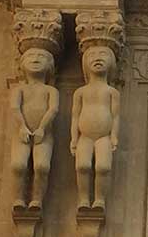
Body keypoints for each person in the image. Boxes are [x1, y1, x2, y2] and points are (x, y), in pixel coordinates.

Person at [71, 45, 120, 210]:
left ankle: (100, 199)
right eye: (92, 55)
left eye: (103, 54)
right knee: (82, 165)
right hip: (84, 136)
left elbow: (115, 115)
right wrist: (74, 138)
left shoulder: (112, 92)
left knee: (103, 167)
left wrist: (114, 135)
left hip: (103, 136)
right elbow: (75, 116)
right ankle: (83, 199)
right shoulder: (80, 92)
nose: (97, 58)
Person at [11, 47, 59, 210]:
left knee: (41, 166)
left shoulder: (50, 90)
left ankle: (36, 200)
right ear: (22, 64)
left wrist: (42, 128)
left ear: (50, 66)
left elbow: (53, 109)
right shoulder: (20, 90)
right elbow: (15, 108)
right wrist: (23, 127)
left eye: (41, 56)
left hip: (43, 134)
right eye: (31, 55)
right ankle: (19, 198)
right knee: (18, 165)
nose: (36, 59)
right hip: (21, 133)